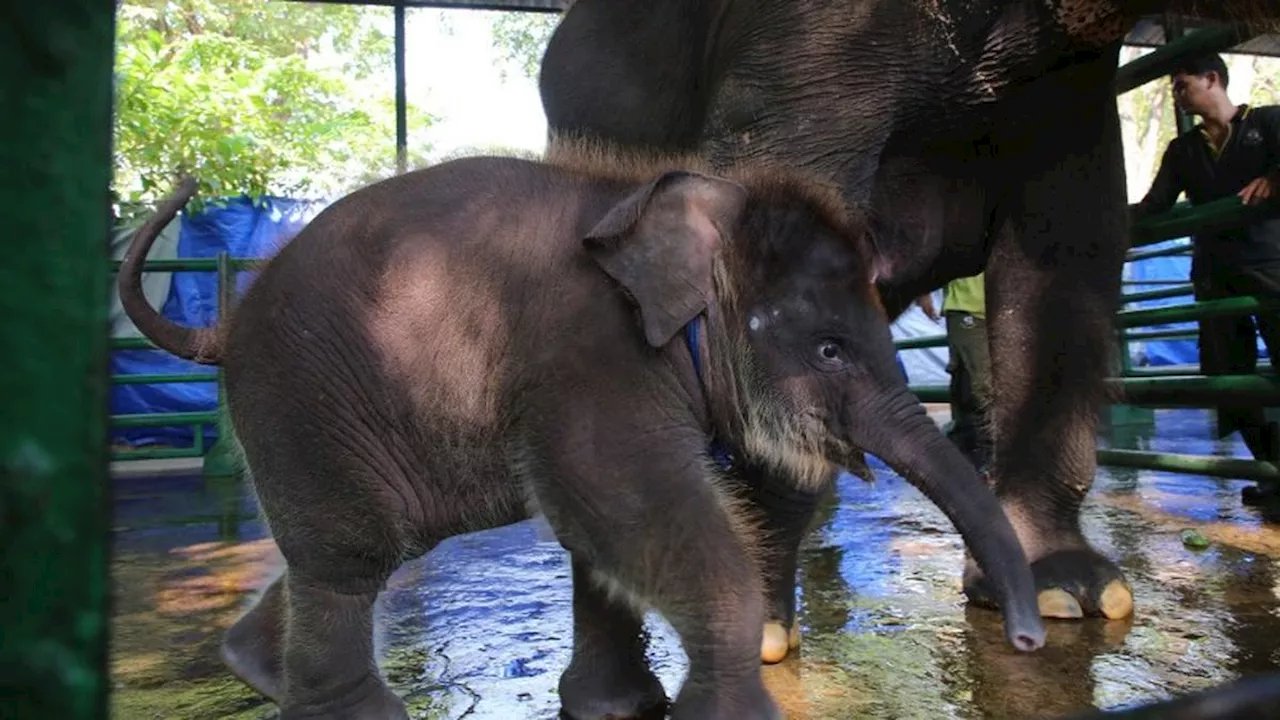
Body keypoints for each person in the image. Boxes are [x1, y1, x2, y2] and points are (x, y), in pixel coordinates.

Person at [1130, 52, 1280, 505]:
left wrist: (1276, 176)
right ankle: (1274, 468)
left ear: (1211, 79)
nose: (1175, 95)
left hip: (1271, 264)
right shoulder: (1183, 150)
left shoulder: (1270, 123)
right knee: (1225, 378)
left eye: (1181, 85)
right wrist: (1101, 223)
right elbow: (1154, 206)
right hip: (1215, 275)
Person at [919, 271, 992, 472]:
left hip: (1004, 309)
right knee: (980, 383)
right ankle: (987, 456)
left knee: (971, 382)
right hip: (966, 308)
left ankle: (967, 450)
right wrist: (923, 290)